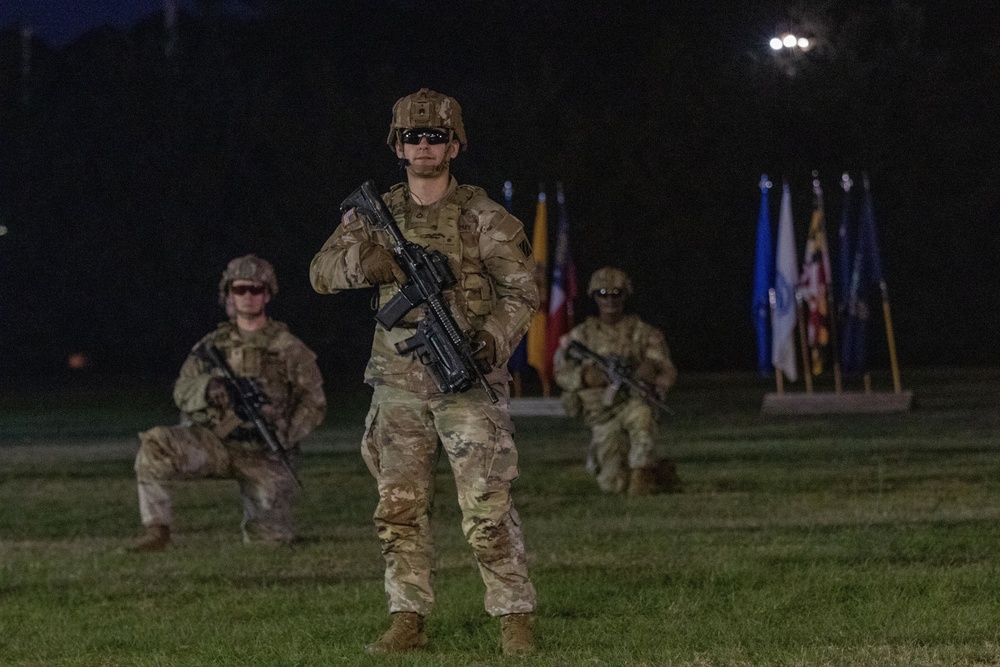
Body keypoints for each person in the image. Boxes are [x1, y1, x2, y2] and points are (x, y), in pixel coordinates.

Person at [309, 88, 539, 657]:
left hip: (467, 383)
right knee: (399, 508)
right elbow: (320, 273)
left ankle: (514, 617)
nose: (424, 146)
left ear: (454, 145)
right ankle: (407, 616)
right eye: (413, 137)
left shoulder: (486, 218)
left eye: (435, 137)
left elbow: (522, 292)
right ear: (398, 147)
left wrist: (491, 339)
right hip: (398, 385)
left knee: (487, 507)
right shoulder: (373, 216)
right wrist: (374, 262)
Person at [129, 254, 326, 552]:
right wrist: (207, 387)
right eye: (240, 289)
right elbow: (180, 390)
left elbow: (314, 401)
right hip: (213, 444)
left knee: (269, 544)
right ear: (229, 294)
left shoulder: (288, 348)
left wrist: (286, 435)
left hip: (263, 451)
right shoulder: (211, 347)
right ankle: (156, 531)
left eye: (256, 290)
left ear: (268, 294)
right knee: (155, 444)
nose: (247, 296)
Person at [554, 266, 680, 496]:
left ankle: (642, 472)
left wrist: (649, 371)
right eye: (603, 294)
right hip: (601, 413)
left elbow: (666, 369)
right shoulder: (581, 336)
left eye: (616, 294)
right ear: (594, 296)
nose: (609, 300)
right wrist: (586, 376)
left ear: (625, 296)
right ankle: (659, 472)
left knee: (642, 415)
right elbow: (561, 372)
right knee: (612, 484)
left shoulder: (643, 333)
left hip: (632, 401)